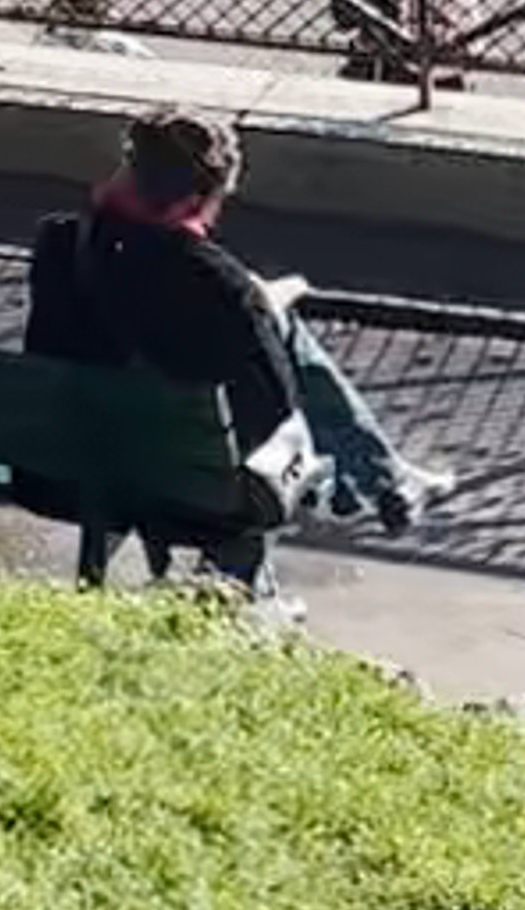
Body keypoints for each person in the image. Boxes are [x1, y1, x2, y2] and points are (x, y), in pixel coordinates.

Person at [24, 107, 437, 585]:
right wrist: (259, 309)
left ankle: (377, 476)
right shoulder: (220, 285)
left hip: (69, 469)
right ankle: (253, 578)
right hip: (194, 492)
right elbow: (276, 411)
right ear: (194, 201)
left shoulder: (59, 244)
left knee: (260, 347)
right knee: (271, 409)